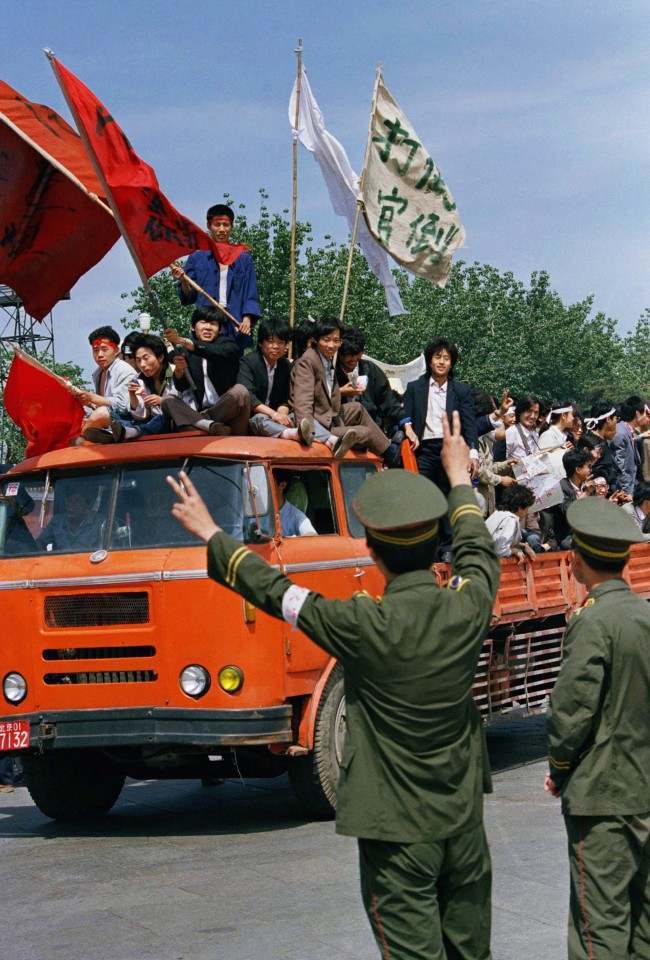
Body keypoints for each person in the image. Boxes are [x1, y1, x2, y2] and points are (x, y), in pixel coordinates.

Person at [167, 411, 499, 960]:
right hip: (461, 819)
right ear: (431, 545)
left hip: (395, 828)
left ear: (372, 550)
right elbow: (478, 550)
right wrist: (459, 478)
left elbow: (278, 592)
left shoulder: (358, 624)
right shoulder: (468, 605)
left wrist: (213, 535)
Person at [545, 496, 650, 960]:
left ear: (577, 561)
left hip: (604, 796)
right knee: (644, 924)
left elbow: (572, 710)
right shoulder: (645, 615)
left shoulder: (592, 621)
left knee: (599, 926)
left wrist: (560, 767)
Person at [403, 337, 479, 559]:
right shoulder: (414, 388)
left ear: (452, 363)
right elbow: (405, 415)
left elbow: (470, 423)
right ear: (429, 360)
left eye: (447, 358)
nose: (442, 362)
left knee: (448, 497)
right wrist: (407, 429)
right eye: (438, 357)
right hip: (423, 448)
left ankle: (447, 548)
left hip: (450, 448)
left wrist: (473, 453)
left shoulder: (462, 391)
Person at [291, 318, 395, 462]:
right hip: (319, 425)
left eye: (336, 341)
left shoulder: (326, 359)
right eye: (326, 340)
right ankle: (389, 457)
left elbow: (325, 394)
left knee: (357, 408)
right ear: (316, 339)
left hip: (330, 415)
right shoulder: (307, 362)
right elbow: (303, 402)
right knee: (367, 432)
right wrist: (308, 434)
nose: (331, 345)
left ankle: (389, 452)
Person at [171, 202, 260, 352]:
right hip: (207, 323)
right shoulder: (197, 257)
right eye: (217, 225)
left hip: (234, 322)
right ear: (209, 225)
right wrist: (183, 280)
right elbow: (189, 296)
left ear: (231, 226)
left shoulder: (243, 258)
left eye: (226, 225)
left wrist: (247, 318)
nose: (222, 229)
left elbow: (250, 292)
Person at [162, 307, 250, 436]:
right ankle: (209, 426)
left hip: (225, 410)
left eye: (213, 324)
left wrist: (181, 340)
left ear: (219, 329)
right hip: (200, 409)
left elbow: (218, 352)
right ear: (193, 327)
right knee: (167, 401)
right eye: (203, 322)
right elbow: (182, 386)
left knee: (240, 391)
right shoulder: (184, 351)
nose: (208, 327)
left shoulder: (228, 345)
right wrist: (179, 371)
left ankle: (200, 423)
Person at [336, 328, 418, 451]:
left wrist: (407, 426)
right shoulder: (331, 371)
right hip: (342, 429)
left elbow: (390, 402)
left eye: (356, 354)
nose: (352, 359)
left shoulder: (371, 370)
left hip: (373, 436)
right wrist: (340, 392)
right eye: (348, 355)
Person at [238, 318, 312, 445]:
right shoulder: (248, 362)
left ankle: (331, 440)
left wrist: (282, 413)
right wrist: (273, 414)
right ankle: (294, 434)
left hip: (276, 417)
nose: (276, 347)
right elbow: (248, 396)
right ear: (261, 343)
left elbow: (286, 397)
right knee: (260, 419)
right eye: (270, 342)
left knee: (301, 417)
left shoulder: (285, 366)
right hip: (254, 418)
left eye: (281, 342)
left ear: (286, 345)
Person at [76, 327, 137, 443]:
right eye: (95, 350)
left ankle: (81, 442)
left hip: (128, 423)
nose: (99, 355)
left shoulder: (124, 370)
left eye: (104, 349)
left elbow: (123, 406)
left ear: (116, 350)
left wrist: (94, 398)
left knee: (101, 413)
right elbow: (101, 404)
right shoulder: (97, 374)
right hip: (108, 421)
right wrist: (89, 402)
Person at [485, 484, 536, 561]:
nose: (526, 513)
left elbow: (496, 540)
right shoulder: (510, 520)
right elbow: (499, 549)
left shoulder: (497, 514)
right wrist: (514, 551)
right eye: (526, 509)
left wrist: (523, 546)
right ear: (520, 509)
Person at [612, 395, 648, 495]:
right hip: (626, 492)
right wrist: (627, 493)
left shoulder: (628, 431)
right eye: (645, 413)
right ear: (637, 413)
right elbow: (621, 467)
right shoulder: (621, 433)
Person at [584, 401, 619, 493]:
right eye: (616, 418)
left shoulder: (600, 440)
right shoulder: (593, 444)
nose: (616, 422)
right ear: (608, 419)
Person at [274, 471, 317, 537]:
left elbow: (313, 536)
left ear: (282, 485)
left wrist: (290, 540)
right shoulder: (255, 511)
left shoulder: (295, 515)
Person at [538, 402, 575, 478]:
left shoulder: (566, 436)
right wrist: (564, 451)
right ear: (564, 415)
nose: (573, 418)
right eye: (571, 415)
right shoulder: (548, 435)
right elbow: (541, 463)